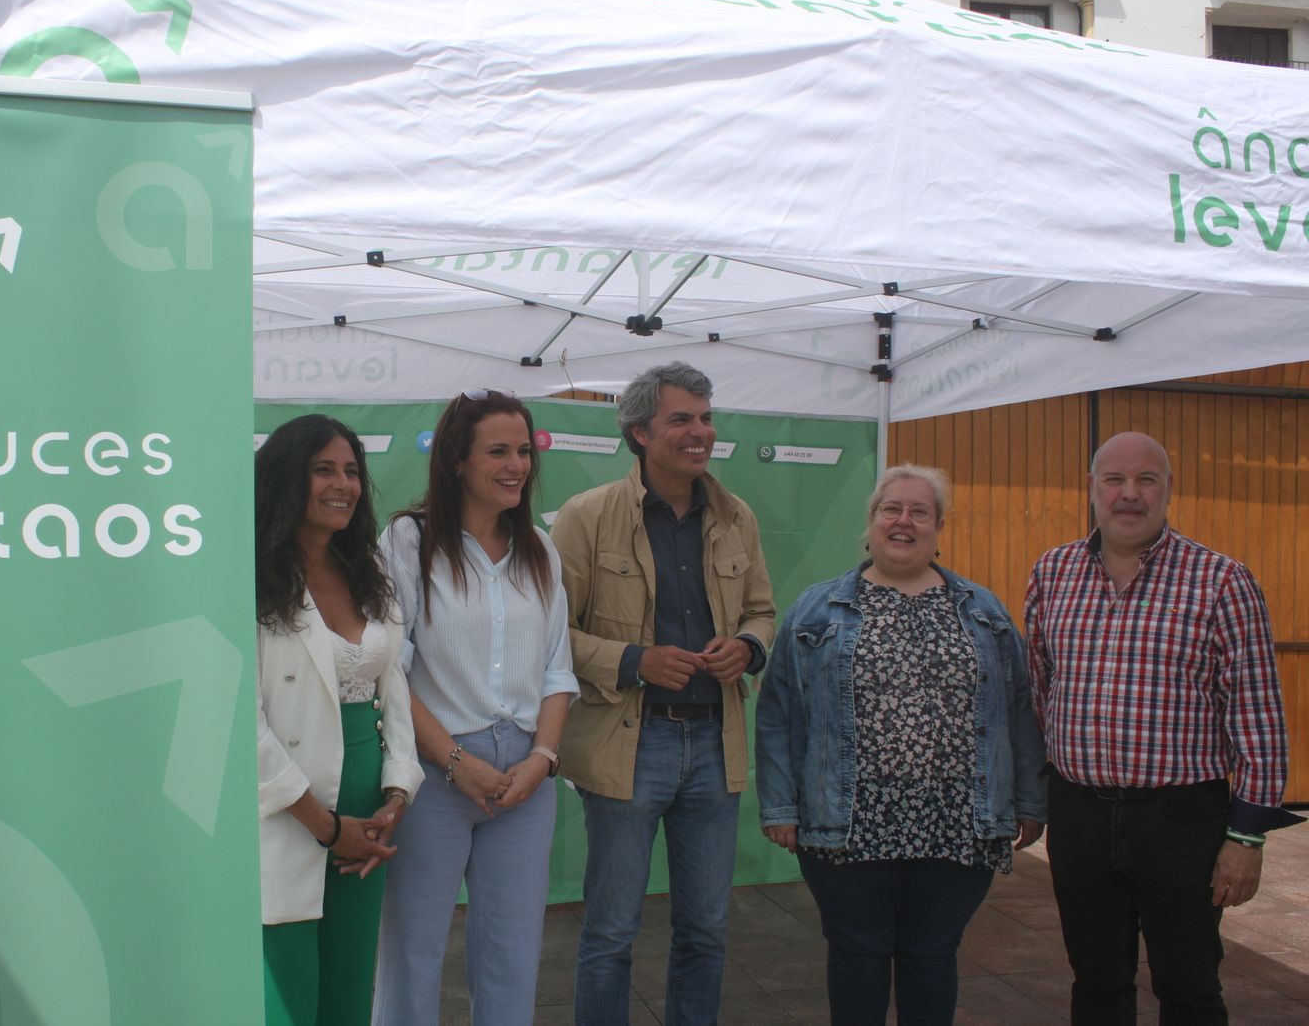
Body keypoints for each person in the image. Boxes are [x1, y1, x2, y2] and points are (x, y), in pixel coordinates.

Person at [1025, 431, 1302, 1024]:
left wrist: (1247, 839)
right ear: (1092, 488)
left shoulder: (1221, 580)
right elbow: (1040, 693)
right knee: (1096, 983)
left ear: (1168, 489)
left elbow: (1259, 722)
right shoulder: (1052, 572)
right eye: (1115, 480)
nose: (1129, 494)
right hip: (1079, 818)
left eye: (1146, 480)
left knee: (1189, 986)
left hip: (1182, 824)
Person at [755, 464, 1047, 1026]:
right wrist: (780, 806)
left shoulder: (984, 612)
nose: (904, 521)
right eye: (892, 509)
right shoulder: (816, 610)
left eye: (920, 512)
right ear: (871, 522)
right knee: (857, 957)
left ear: (939, 527)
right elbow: (778, 713)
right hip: (847, 824)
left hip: (957, 824)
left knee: (932, 957)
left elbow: (1018, 709)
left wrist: (1030, 800)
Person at [549, 361, 775, 1026]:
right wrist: (634, 660)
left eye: (705, 417)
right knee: (611, 932)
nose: (700, 431)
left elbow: (762, 610)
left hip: (715, 742)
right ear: (640, 432)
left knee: (706, 931)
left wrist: (748, 646)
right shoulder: (586, 516)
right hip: (629, 741)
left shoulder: (738, 517)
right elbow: (550, 634)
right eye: (682, 419)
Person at [372, 389, 577, 1026]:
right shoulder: (408, 541)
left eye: (524, 451)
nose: (516, 465)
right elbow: (388, 671)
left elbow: (558, 670)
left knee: (513, 957)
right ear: (457, 459)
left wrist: (542, 759)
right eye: (498, 452)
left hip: (525, 780)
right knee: (411, 956)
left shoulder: (540, 548)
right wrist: (456, 762)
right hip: (432, 774)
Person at [254, 414, 424, 1026]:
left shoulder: (366, 572)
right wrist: (325, 827)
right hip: (287, 810)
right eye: (323, 469)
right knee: (287, 996)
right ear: (284, 478)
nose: (343, 484)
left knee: (350, 989)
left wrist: (397, 792)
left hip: (365, 815)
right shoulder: (247, 576)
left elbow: (392, 687)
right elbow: (241, 724)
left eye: (351, 471)